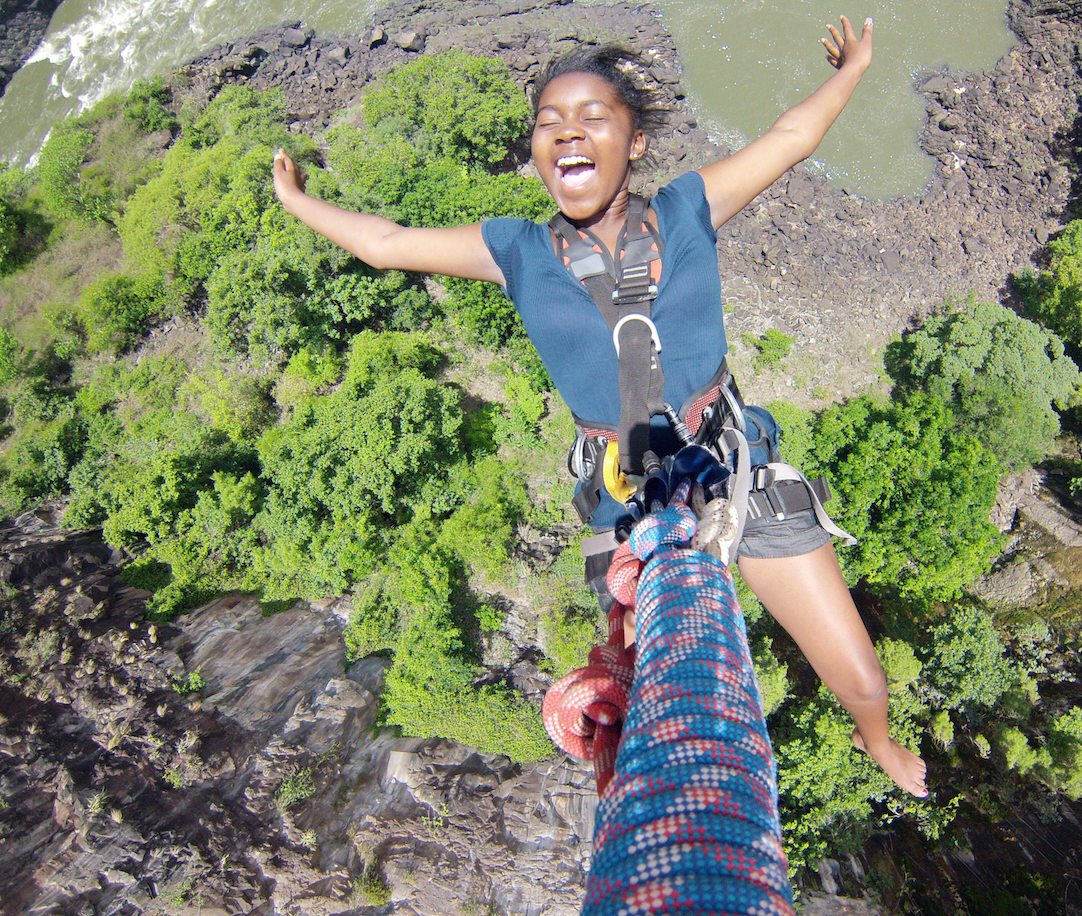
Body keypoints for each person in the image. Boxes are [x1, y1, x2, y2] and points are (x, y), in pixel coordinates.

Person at [272, 15, 929, 799]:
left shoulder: (686, 211)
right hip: (625, 496)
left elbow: (790, 137)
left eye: (593, 118)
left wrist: (853, 70)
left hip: (728, 465)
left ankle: (875, 738)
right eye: (550, 123)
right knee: (648, 707)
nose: (568, 134)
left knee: (859, 675)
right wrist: (295, 201)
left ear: (635, 143)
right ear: (535, 156)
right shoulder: (514, 249)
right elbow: (384, 241)